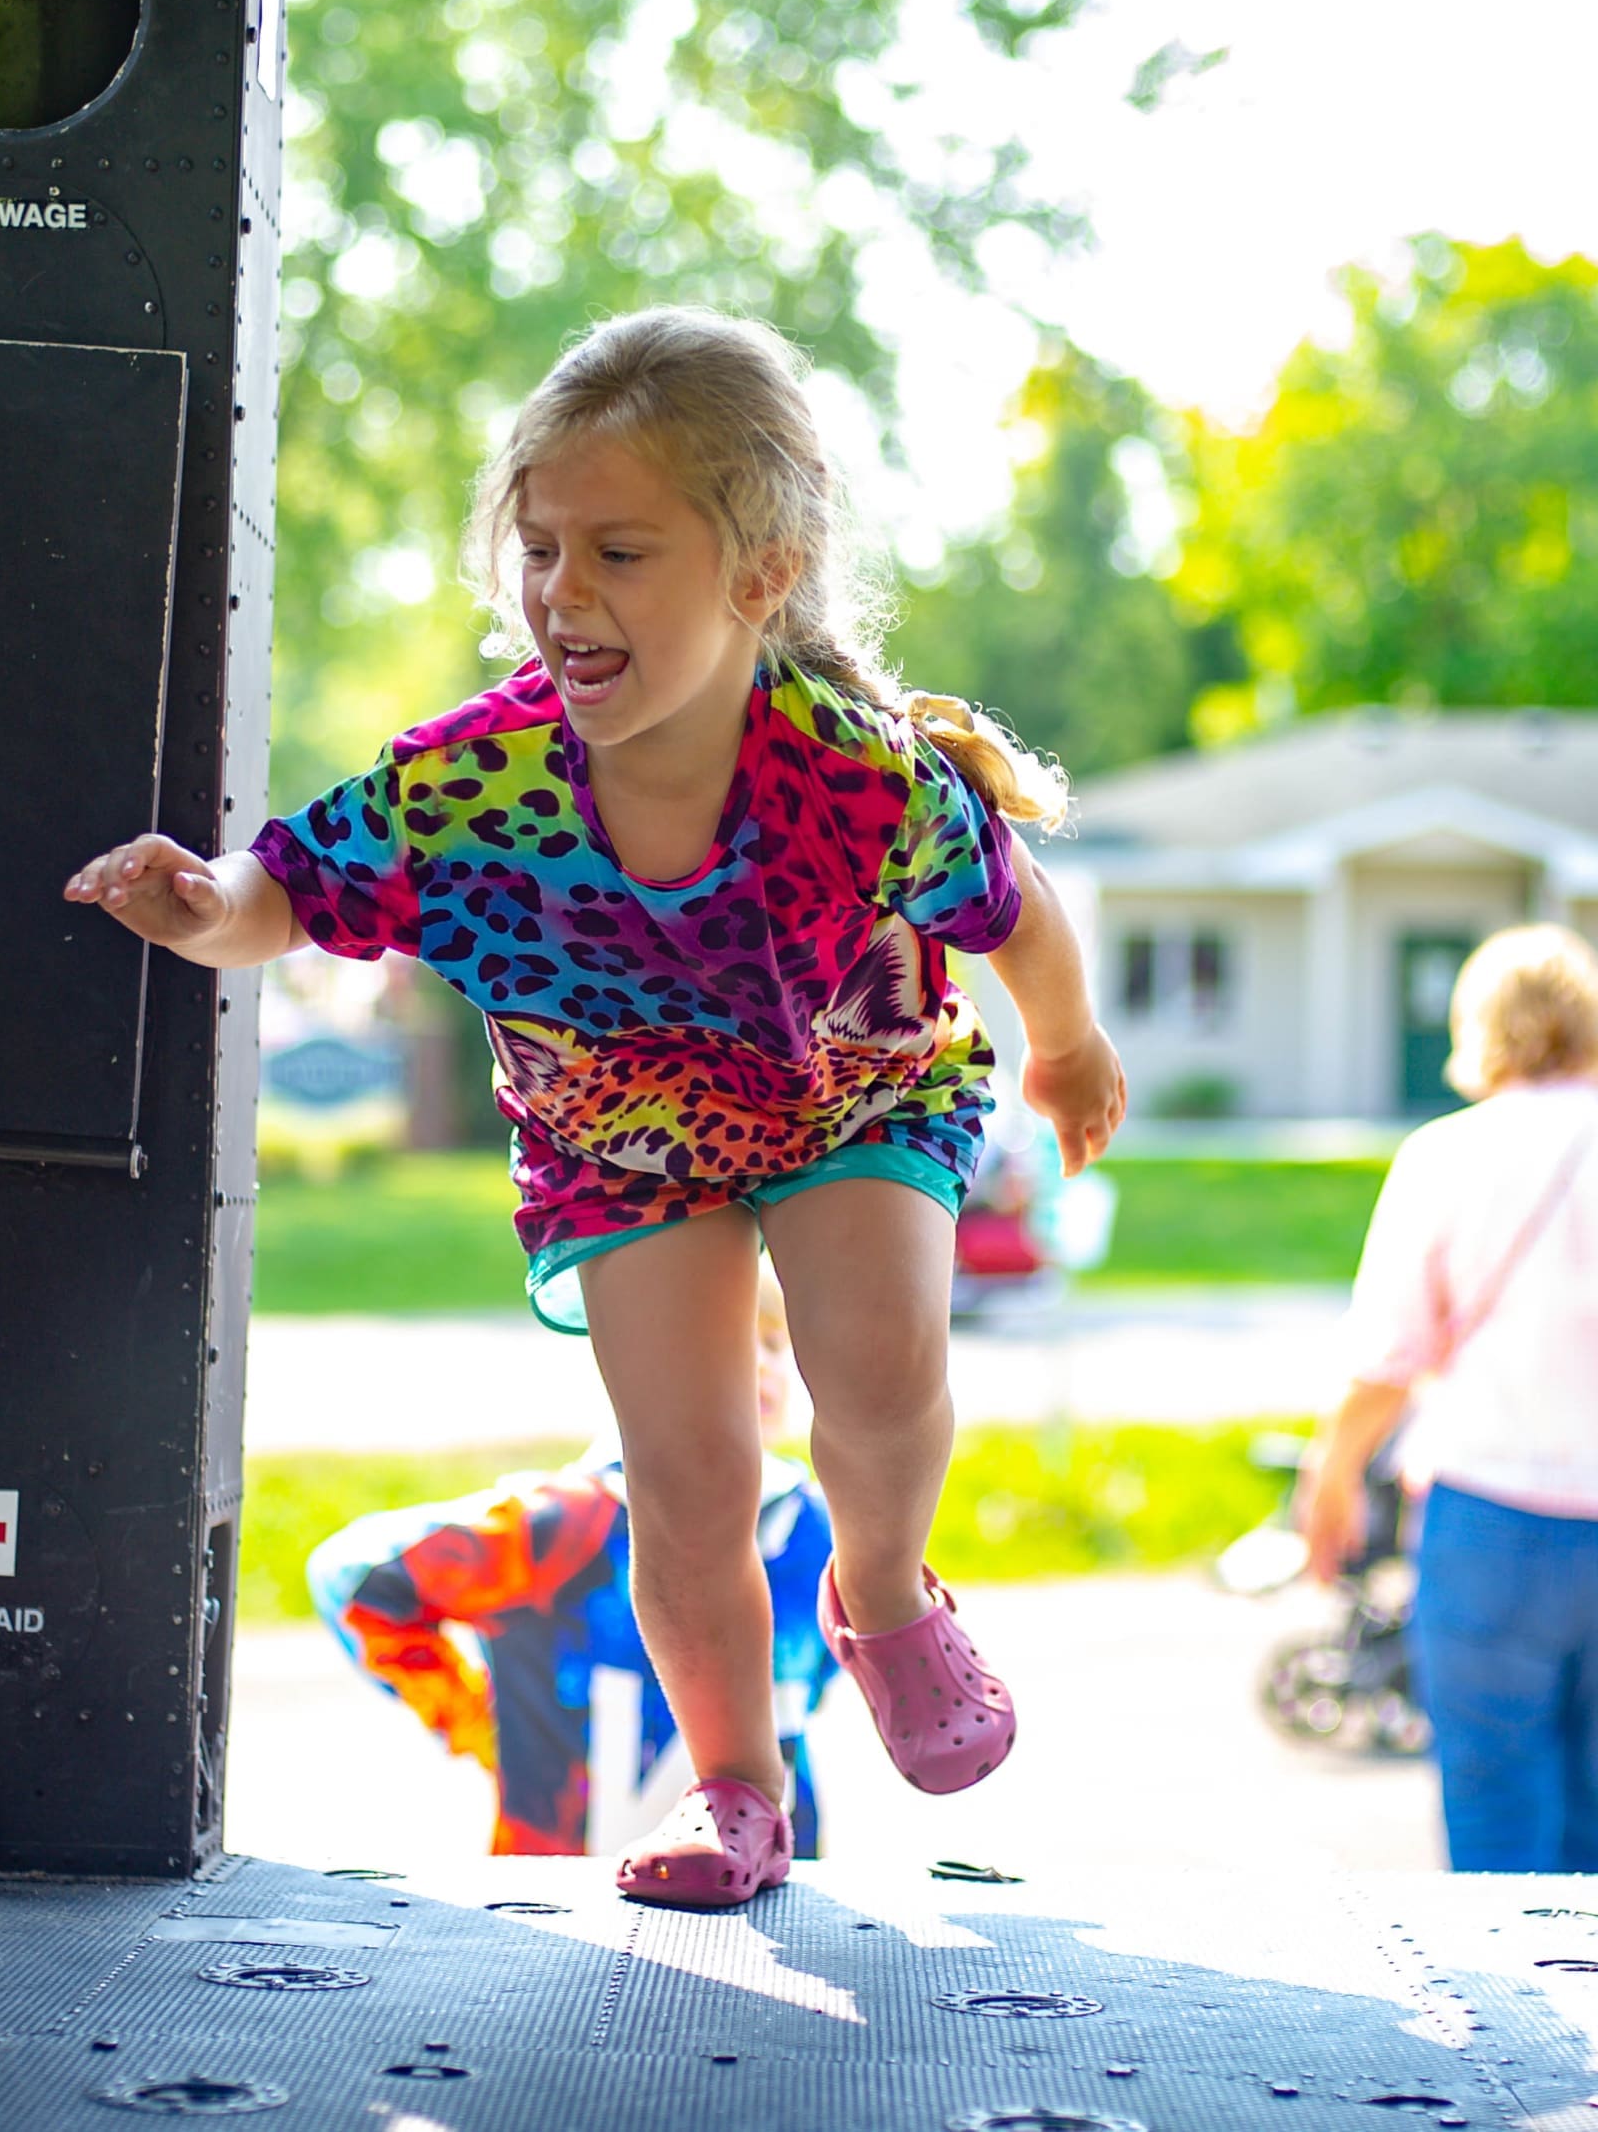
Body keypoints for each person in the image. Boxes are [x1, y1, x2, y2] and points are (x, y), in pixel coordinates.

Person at [66, 308, 1124, 1905]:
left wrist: (1068, 1044)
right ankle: (738, 1784)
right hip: (624, 1134)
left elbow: (1017, 908)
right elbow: (293, 883)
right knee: (686, 1473)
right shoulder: (475, 783)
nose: (564, 592)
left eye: (621, 553)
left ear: (761, 572)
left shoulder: (860, 776)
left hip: (851, 1083)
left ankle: (884, 1593)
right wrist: (203, 901)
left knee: (879, 1359)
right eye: (543, 548)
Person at [308, 1276, 836, 1857]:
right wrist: (477, 1722)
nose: (758, 1364)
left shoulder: (812, 1528)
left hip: (769, 1879)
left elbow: (823, 1666)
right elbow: (352, 1576)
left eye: (772, 1344)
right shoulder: (565, 1526)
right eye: (723, 1340)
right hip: (563, 1884)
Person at [1303, 924, 1598, 1873]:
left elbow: (1389, 1356)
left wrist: (1333, 1475)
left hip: (1491, 1513)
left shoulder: (1447, 1154)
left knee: (1496, 1807)